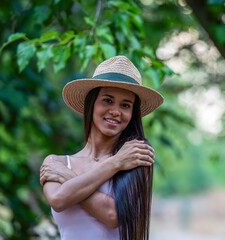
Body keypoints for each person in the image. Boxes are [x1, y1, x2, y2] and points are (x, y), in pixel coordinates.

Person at [39, 55, 164, 240]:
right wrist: (117, 162)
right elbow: (58, 200)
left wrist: (68, 176)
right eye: (107, 100)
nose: (115, 111)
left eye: (125, 105)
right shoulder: (55, 162)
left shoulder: (135, 157)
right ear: (91, 104)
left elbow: (113, 215)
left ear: (132, 114)